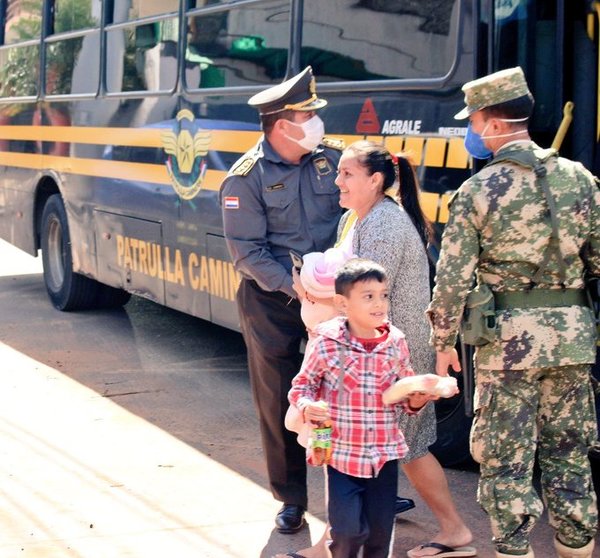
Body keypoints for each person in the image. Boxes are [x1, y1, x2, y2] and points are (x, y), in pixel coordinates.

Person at [427, 66, 599, 558]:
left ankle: (514, 548)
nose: (474, 131)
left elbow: (453, 278)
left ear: (489, 122)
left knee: (506, 461)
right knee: (569, 455)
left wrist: (442, 346)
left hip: (506, 345)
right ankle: (577, 548)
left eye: (474, 121)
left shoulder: (479, 191)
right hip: (572, 341)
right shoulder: (580, 179)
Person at [279, 141, 474, 558]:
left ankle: (339, 543)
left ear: (376, 180)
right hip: (371, 354)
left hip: (391, 356)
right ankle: (344, 540)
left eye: (347, 174)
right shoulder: (357, 218)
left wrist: (313, 294)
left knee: (395, 447)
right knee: (373, 445)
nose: (338, 181)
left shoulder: (384, 224)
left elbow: (363, 296)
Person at [220, 66, 344, 534]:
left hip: (334, 302)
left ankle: (354, 483)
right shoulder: (245, 179)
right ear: (280, 125)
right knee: (279, 398)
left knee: (344, 394)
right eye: (306, 114)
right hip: (272, 301)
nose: (315, 122)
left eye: (314, 113)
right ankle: (291, 498)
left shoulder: (331, 161)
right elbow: (247, 252)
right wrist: (300, 288)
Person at [289, 258, 439, 558]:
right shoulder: (327, 342)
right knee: (347, 532)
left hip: (383, 455)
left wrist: (418, 398)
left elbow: (406, 393)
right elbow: (301, 387)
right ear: (342, 304)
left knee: (379, 535)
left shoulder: (395, 342)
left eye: (383, 295)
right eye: (368, 296)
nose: (379, 303)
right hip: (342, 456)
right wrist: (309, 406)